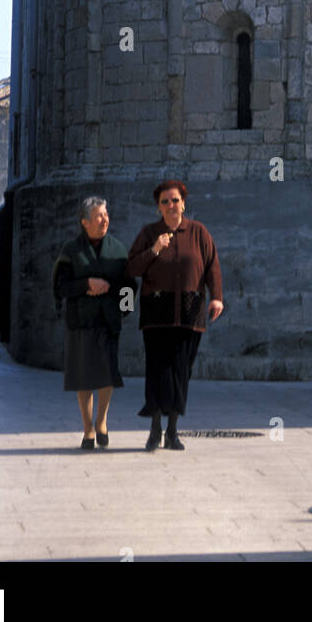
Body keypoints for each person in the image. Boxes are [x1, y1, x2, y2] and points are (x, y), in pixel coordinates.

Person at [126, 180, 223, 452]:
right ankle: (155, 429)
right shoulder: (149, 233)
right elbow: (132, 267)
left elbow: (212, 265)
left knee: (181, 373)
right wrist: (155, 249)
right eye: (165, 202)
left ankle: (172, 431)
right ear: (158, 208)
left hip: (190, 315)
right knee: (159, 371)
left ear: (184, 203)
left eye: (175, 200)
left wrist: (216, 297)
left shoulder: (198, 232)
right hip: (157, 315)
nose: (171, 205)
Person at [53, 196, 132, 450]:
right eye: (99, 216)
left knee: (107, 374)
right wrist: (87, 284)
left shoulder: (118, 250)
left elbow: (130, 286)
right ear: (85, 222)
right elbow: (61, 286)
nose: (104, 219)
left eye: (106, 214)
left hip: (108, 321)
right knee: (83, 377)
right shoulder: (71, 250)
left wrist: (123, 311)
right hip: (81, 321)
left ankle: (102, 420)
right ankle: (87, 428)